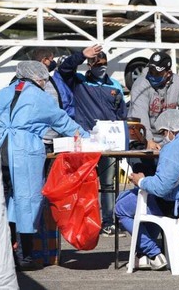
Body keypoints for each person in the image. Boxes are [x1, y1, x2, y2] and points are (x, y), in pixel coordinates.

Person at [0, 61, 88, 270]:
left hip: (0, 151)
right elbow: (63, 123)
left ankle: (6, 253)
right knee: (26, 202)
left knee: (5, 201)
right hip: (23, 152)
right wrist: (89, 138)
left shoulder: (3, 93)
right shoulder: (41, 97)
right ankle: (25, 256)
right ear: (39, 79)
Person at [115, 109, 179, 271]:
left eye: (163, 133)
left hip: (172, 203)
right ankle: (144, 256)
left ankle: (154, 254)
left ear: (170, 131)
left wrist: (141, 180)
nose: (163, 137)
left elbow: (161, 188)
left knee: (121, 205)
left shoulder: (173, 149)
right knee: (142, 202)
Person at [58, 44, 128, 237]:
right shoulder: (79, 82)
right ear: (89, 65)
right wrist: (81, 55)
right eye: (97, 63)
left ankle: (108, 222)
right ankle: (85, 222)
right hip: (87, 142)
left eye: (104, 64)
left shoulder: (115, 85)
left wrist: (123, 142)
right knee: (85, 184)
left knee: (107, 184)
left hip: (109, 144)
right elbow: (64, 70)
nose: (101, 67)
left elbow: (122, 114)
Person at [129, 51, 179, 152]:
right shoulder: (140, 84)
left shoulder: (178, 82)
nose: (153, 75)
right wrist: (149, 140)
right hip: (142, 138)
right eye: (151, 71)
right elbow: (140, 115)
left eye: (157, 73)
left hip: (167, 140)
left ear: (168, 73)